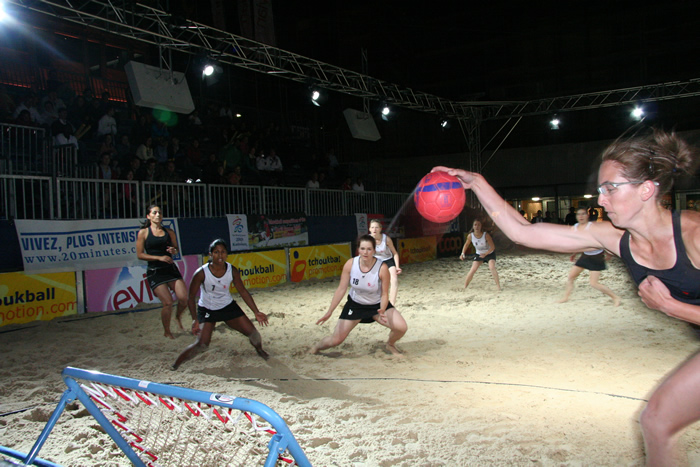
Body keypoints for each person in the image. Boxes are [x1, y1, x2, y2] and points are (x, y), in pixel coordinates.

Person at [432, 127, 700, 465]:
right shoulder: (613, 237)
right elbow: (525, 232)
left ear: (646, 189)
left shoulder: (694, 234)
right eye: (600, 190)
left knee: (656, 421)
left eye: (610, 188)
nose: (601, 200)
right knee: (656, 422)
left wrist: (672, 306)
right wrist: (477, 183)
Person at [172, 239, 269, 370]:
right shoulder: (201, 273)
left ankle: (260, 351)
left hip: (227, 306)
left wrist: (256, 312)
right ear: (210, 254)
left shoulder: (231, 270)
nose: (220, 255)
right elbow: (191, 297)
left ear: (226, 254)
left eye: (223, 252)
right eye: (216, 252)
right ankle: (176, 365)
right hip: (207, 309)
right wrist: (195, 319)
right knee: (202, 344)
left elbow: (243, 291)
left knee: (254, 334)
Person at [310, 234, 408, 356]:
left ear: (374, 250)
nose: (365, 252)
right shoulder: (351, 264)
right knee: (336, 340)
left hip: (377, 306)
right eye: (362, 248)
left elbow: (384, 294)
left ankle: (390, 344)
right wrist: (329, 311)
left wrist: (382, 309)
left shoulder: (382, 268)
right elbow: (341, 289)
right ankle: (315, 348)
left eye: (369, 249)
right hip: (356, 305)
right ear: (358, 249)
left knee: (401, 327)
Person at [136, 205, 188, 339]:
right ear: (148, 216)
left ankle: (177, 317)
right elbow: (140, 254)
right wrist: (159, 257)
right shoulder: (143, 233)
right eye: (154, 213)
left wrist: (173, 250)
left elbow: (176, 249)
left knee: (183, 298)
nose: (158, 215)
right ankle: (167, 331)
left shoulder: (169, 232)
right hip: (155, 271)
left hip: (170, 269)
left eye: (159, 212)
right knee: (168, 302)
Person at [557, 207, 620, 305]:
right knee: (571, 277)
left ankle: (615, 297)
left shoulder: (593, 227)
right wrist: (574, 253)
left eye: (583, 214)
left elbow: (604, 240)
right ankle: (565, 297)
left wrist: (608, 253)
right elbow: (579, 243)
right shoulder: (575, 227)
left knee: (594, 283)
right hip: (585, 255)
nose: (581, 216)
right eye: (579, 214)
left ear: (587, 216)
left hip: (597, 256)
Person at [459, 219, 501, 291]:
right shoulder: (470, 236)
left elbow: (492, 247)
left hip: (489, 253)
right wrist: (462, 254)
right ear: (473, 226)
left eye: (478, 225)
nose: (477, 227)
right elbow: (466, 245)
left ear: (481, 226)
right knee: (473, 269)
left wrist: (485, 254)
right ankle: (465, 287)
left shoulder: (486, 235)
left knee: (492, 267)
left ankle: (498, 287)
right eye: (475, 225)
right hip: (479, 254)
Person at [369, 219, 402, 305]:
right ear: (369, 229)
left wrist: (397, 266)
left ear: (380, 229)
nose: (374, 229)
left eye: (376, 227)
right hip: (375, 262)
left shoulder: (386, 239)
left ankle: (392, 303)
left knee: (394, 279)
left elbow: (395, 253)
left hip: (387, 259)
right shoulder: (368, 240)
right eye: (372, 227)